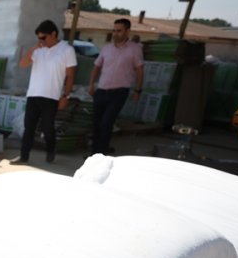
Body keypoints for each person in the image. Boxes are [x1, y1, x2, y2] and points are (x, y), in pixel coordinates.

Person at [16, 20, 77, 164]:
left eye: (43, 37)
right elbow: (23, 64)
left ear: (54, 34)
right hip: (33, 94)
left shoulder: (67, 50)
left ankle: (50, 150)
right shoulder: (38, 50)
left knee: (47, 127)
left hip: (51, 96)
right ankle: (24, 156)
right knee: (28, 127)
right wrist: (33, 49)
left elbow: (70, 76)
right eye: (39, 38)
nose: (41, 41)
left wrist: (66, 96)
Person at [88, 18, 145, 156]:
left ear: (127, 31)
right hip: (102, 90)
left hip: (119, 92)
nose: (115, 33)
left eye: (119, 31)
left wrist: (138, 90)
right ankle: (95, 153)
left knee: (107, 123)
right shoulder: (107, 48)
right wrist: (91, 84)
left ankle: (101, 154)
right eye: (114, 30)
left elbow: (139, 70)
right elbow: (97, 67)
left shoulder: (135, 49)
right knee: (96, 123)